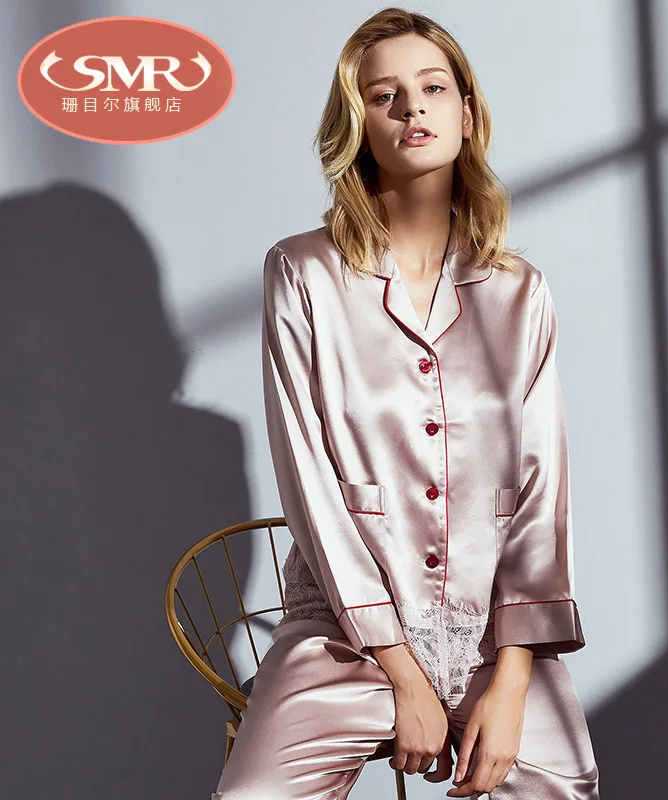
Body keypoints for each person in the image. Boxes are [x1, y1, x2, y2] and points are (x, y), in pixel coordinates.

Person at [213, 7, 600, 799]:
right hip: (345, 635)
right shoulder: (303, 274)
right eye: (383, 95)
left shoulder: (520, 291)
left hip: (497, 638)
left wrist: (514, 680)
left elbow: (541, 492)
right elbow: (311, 486)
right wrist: (403, 676)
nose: (412, 107)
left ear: (467, 113)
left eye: (433, 87)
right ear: (358, 126)